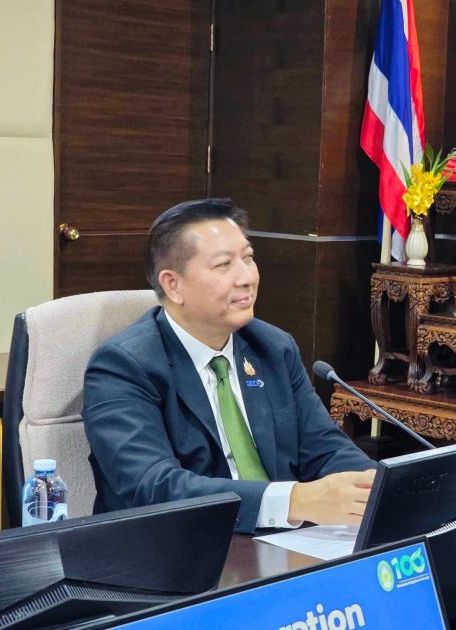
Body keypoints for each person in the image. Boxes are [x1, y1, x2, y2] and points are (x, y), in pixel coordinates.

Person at [83, 199, 376, 533]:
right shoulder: (122, 367)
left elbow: (325, 448)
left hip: (281, 541)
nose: (246, 278)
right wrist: (294, 501)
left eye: (248, 258)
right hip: (178, 545)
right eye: (224, 265)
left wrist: (372, 485)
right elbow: (154, 487)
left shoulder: (272, 347)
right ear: (173, 285)